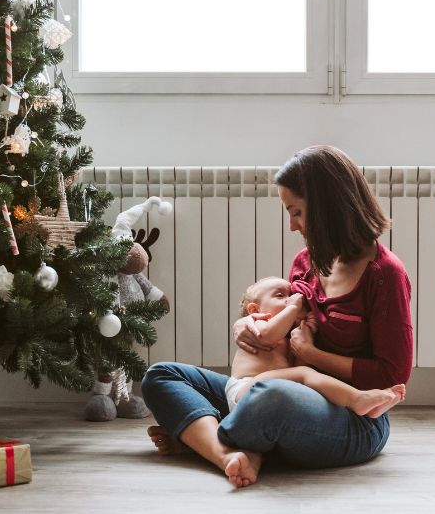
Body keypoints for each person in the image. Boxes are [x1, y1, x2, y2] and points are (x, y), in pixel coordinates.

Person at [142, 145, 413, 488]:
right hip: (276, 387)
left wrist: (313, 356)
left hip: (351, 417)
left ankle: (199, 437)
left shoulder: (385, 274)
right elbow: (278, 324)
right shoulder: (307, 261)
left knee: (271, 398)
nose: (292, 225)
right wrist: (245, 323)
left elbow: (391, 375)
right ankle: (231, 454)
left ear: (327, 208)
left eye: (297, 212)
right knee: (160, 376)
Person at [227, 277, 406, 418]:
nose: (291, 299)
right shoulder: (257, 325)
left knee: (305, 375)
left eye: (292, 295)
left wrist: (307, 334)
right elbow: (267, 337)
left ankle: (370, 409)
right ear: (254, 309)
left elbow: (297, 366)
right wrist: (294, 308)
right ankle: (357, 399)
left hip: (268, 395)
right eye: (280, 296)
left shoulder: (285, 338)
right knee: (305, 374)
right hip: (244, 389)